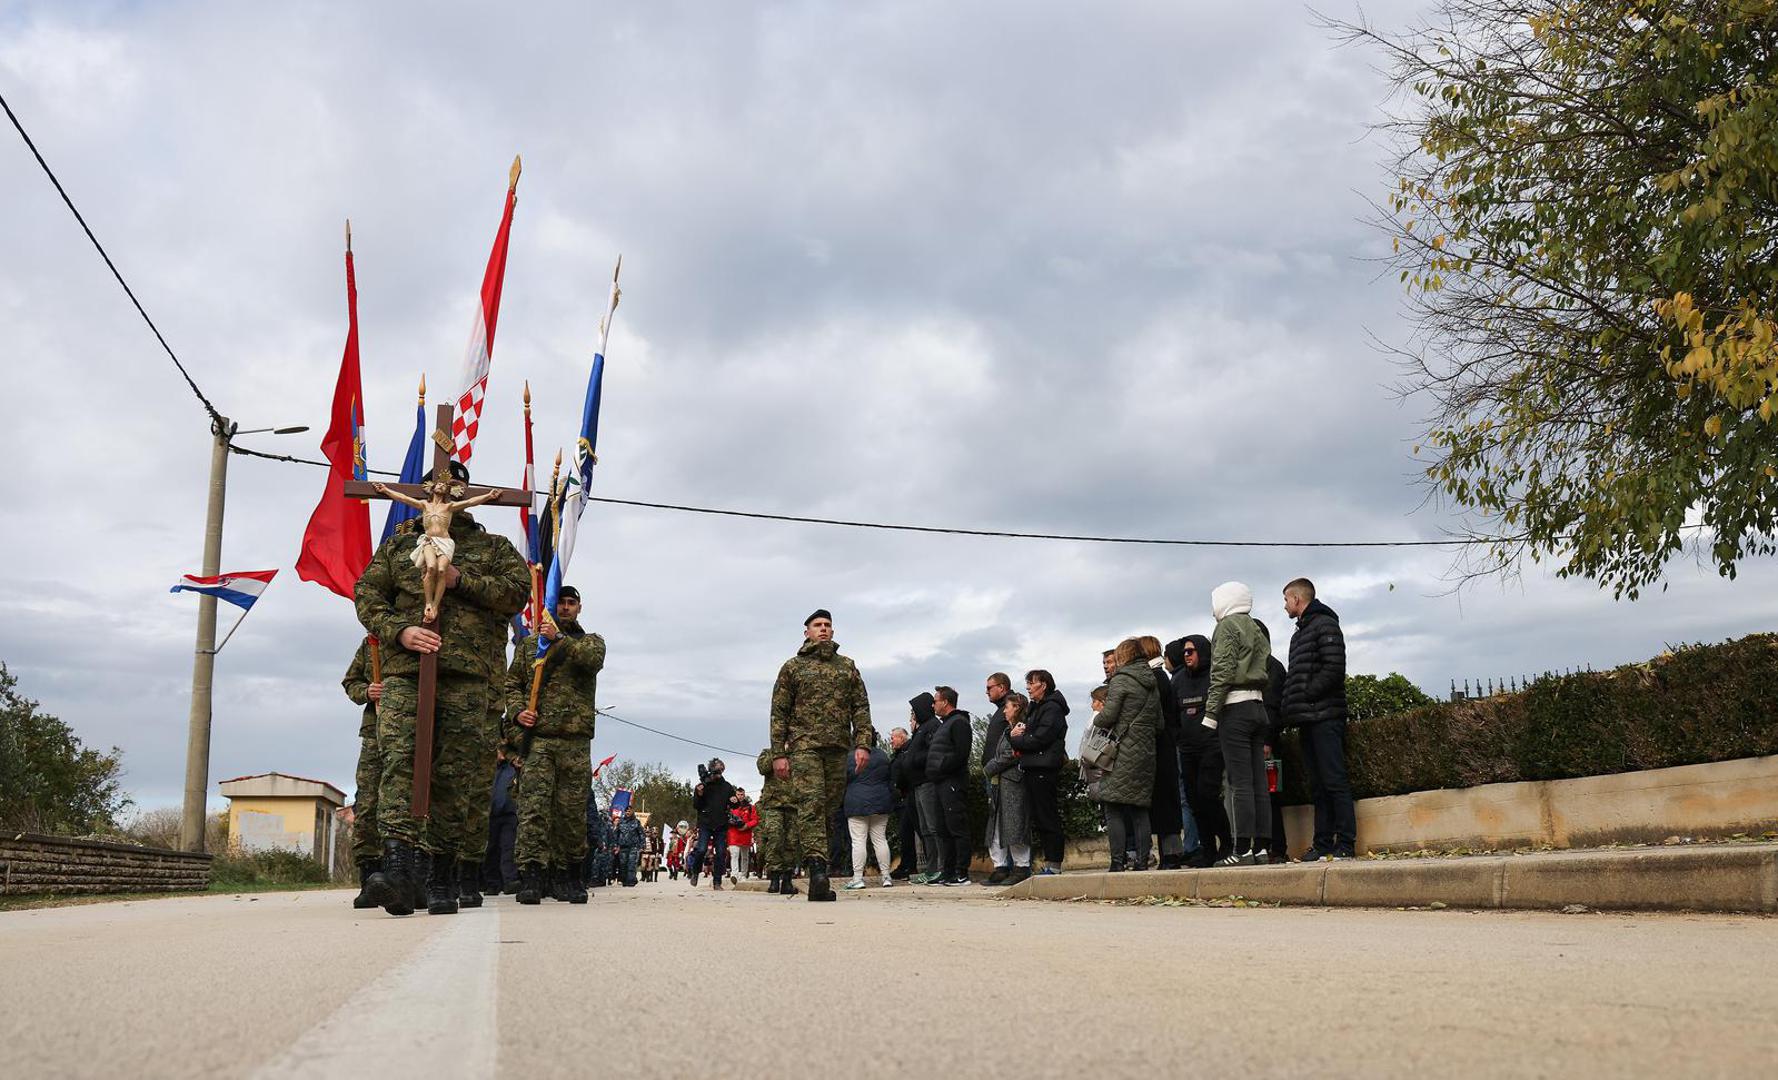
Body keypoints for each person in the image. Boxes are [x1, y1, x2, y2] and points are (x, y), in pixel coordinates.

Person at [354, 462, 531, 917]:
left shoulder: (493, 547)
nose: (446, 491)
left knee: (455, 777)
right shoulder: (399, 546)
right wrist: (399, 631)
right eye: (438, 484)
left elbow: (517, 593)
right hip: (405, 672)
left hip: (469, 676)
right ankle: (399, 869)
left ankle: (440, 875)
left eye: (455, 485)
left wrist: (460, 580)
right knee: (399, 762)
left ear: (466, 492)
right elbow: (367, 595)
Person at [504, 585, 605, 906]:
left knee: (571, 812)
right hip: (540, 740)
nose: (565, 607)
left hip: (575, 741)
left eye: (571, 603)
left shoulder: (590, 641)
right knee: (533, 810)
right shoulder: (530, 646)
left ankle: (568, 876)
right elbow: (512, 684)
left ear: (579, 607)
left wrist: (558, 639)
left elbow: (591, 661)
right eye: (560, 603)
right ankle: (532, 875)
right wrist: (518, 711)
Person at [769, 609, 876, 903]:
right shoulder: (792, 667)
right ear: (807, 632)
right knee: (811, 804)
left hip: (838, 748)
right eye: (818, 625)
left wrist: (863, 744)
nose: (824, 629)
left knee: (829, 809)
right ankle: (817, 872)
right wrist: (778, 753)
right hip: (804, 747)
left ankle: (818, 866)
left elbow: (860, 707)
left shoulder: (846, 666)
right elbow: (779, 713)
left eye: (828, 625)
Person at [1282, 578, 1356, 860]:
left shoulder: (1325, 625)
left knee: (1334, 779)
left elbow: (1334, 668)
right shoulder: (1300, 633)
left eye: (1286, 600)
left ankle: (1346, 843)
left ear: (1297, 599)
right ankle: (1323, 843)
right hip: (1308, 717)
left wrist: (1308, 693)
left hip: (1326, 715)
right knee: (1318, 784)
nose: (1284, 606)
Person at [1201, 582, 1273, 866]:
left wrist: (1211, 713)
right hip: (1258, 705)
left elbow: (1222, 671)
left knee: (1239, 782)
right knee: (1258, 783)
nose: (1213, 610)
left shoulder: (1226, 627)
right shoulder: (1255, 626)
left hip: (1235, 708)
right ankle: (1261, 848)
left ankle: (1241, 849)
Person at [1094, 638, 1160, 872]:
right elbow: (1160, 723)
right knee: (1139, 808)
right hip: (1146, 752)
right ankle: (1142, 862)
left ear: (1124, 656)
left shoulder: (1121, 680)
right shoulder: (1152, 681)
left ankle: (1117, 862)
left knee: (1113, 807)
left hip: (1122, 752)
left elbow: (1108, 716)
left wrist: (1098, 719)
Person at [1168, 635, 1226, 866]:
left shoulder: (1214, 676)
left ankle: (1226, 843)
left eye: (1191, 651)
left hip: (1211, 746)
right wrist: (1179, 738)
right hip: (1187, 749)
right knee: (1194, 801)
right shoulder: (1179, 680)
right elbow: (1172, 714)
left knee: (1208, 795)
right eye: (1184, 652)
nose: (1186, 655)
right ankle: (1208, 849)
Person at [1139, 635, 1193, 870]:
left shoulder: (1156, 679)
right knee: (1165, 803)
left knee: (1165, 804)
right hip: (1164, 745)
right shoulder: (1159, 677)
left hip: (1163, 746)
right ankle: (1169, 854)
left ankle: (1171, 855)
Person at [1009, 669, 1069, 875]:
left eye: (1031, 683)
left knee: (1047, 816)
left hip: (1044, 768)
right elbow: (1026, 733)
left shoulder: (1052, 708)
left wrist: (1017, 739)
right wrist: (1017, 736)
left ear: (1043, 685)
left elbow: (1040, 738)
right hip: (1033, 767)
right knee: (1040, 818)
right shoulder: (1036, 708)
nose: (1027, 687)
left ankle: (1054, 863)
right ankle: (1049, 862)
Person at [341, 637, 384, 908]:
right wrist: (367, 692)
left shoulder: (424, 636)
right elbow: (350, 681)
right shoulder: (371, 643)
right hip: (375, 732)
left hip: (416, 731)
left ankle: (409, 876)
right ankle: (369, 878)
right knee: (368, 804)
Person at [925, 686, 975, 886]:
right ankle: (947, 871)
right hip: (940, 783)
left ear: (945, 702)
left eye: (935, 701)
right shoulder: (944, 725)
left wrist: (942, 766)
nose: (933, 705)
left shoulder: (959, 723)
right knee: (942, 829)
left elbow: (961, 754)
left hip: (953, 782)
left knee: (957, 827)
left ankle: (961, 872)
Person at [983, 691, 1033, 885]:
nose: (1004, 711)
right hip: (1001, 783)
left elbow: (1011, 754)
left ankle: (1022, 867)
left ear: (1017, 708)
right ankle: (1001, 868)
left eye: (1008, 707)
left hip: (1014, 783)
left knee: (1015, 824)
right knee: (998, 825)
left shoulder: (1022, 728)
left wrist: (989, 768)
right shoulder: (1007, 729)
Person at [1256, 620, 1290, 863]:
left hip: (1267, 742)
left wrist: (1267, 740)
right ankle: (1265, 846)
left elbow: (1273, 707)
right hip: (1258, 739)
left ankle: (1277, 848)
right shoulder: (1258, 667)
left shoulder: (1272, 668)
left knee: (1270, 795)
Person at [842, 743, 895, 889]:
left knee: (858, 841)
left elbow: (844, 778)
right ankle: (886, 876)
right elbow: (889, 777)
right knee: (880, 839)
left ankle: (858, 878)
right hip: (881, 800)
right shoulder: (883, 756)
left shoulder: (850, 757)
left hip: (856, 802)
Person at [980, 673, 1014, 881]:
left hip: (1002, 773)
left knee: (1008, 819)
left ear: (1002, 687)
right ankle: (1001, 867)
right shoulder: (999, 711)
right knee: (996, 819)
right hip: (993, 772)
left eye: (989, 687)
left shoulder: (1012, 706)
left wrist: (992, 766)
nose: (986, 692)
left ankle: (1013, 867)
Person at [906, 694, 942, 884]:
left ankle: (940, 867)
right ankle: (931, 868)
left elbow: (932, 752)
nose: (912, 715)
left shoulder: (932, 726)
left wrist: (914, 760)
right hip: (918, 784)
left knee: (933, 826)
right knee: (925, 829)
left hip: (928, 782)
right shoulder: (922, 728)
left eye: (914, 711)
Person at [755, 748, 799, 896]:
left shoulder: (797, 752)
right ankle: (774, 878)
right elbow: (762, 768)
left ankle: (787, 880)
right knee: (775, 838)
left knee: (791, 842)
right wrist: (778, 752)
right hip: (773, 804)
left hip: (793, 804)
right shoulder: (768, 753)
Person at [691, 758, 737, 889]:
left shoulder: (727, 786)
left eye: (721, 770)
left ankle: (717, 881)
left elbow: (734, 804)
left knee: (721, 852)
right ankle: (695, 872)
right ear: (711, 769)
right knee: (701, 850)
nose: (719, 773)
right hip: (705, 823)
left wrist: (734, 801)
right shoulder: (703, 785)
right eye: (717, 770)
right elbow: (696, 805)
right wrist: (699, 794)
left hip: (721, 823)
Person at [480, 752, 520, 894]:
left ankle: (510, 880)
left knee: (508, 847)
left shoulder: (514, 768)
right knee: (491, 848)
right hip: (491, 814)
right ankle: (492, 883)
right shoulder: (489, 768)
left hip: (510, 814)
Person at [886, 726, 919, 879]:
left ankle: (909, 866)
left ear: (901, 738)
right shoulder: (899, 754)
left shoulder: (907, 752)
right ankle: (907, 864)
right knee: (904, 834)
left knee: (907, 834)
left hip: (905, 799)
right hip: (900, 801)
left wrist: (900, 791)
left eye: (893, 738)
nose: (891, 741)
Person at [727, 789, 759, 884]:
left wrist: (747, 825)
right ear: (735, 795)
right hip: (733, 834)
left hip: (745, 834)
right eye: (738, 794)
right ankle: (734, 874)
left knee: (745, 856)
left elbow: (755, 820)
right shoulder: (729, 806)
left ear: (744, 795)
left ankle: (744, 875)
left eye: (742, 794)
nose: (740, 796)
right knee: (734, 855)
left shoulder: (750, 807)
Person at [616, 807, 645, 886]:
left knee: (631, 864)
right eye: (626, 811)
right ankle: (625, 880)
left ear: (632, 812)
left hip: (633, 847)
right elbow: (616, 834)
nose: (628, 813)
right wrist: (615, 845)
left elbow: (641, 834)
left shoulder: (636, 822)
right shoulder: (621, 822)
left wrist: (642, 845)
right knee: (623, 864)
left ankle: (631, 880)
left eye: (629, 811)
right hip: (623, 847)